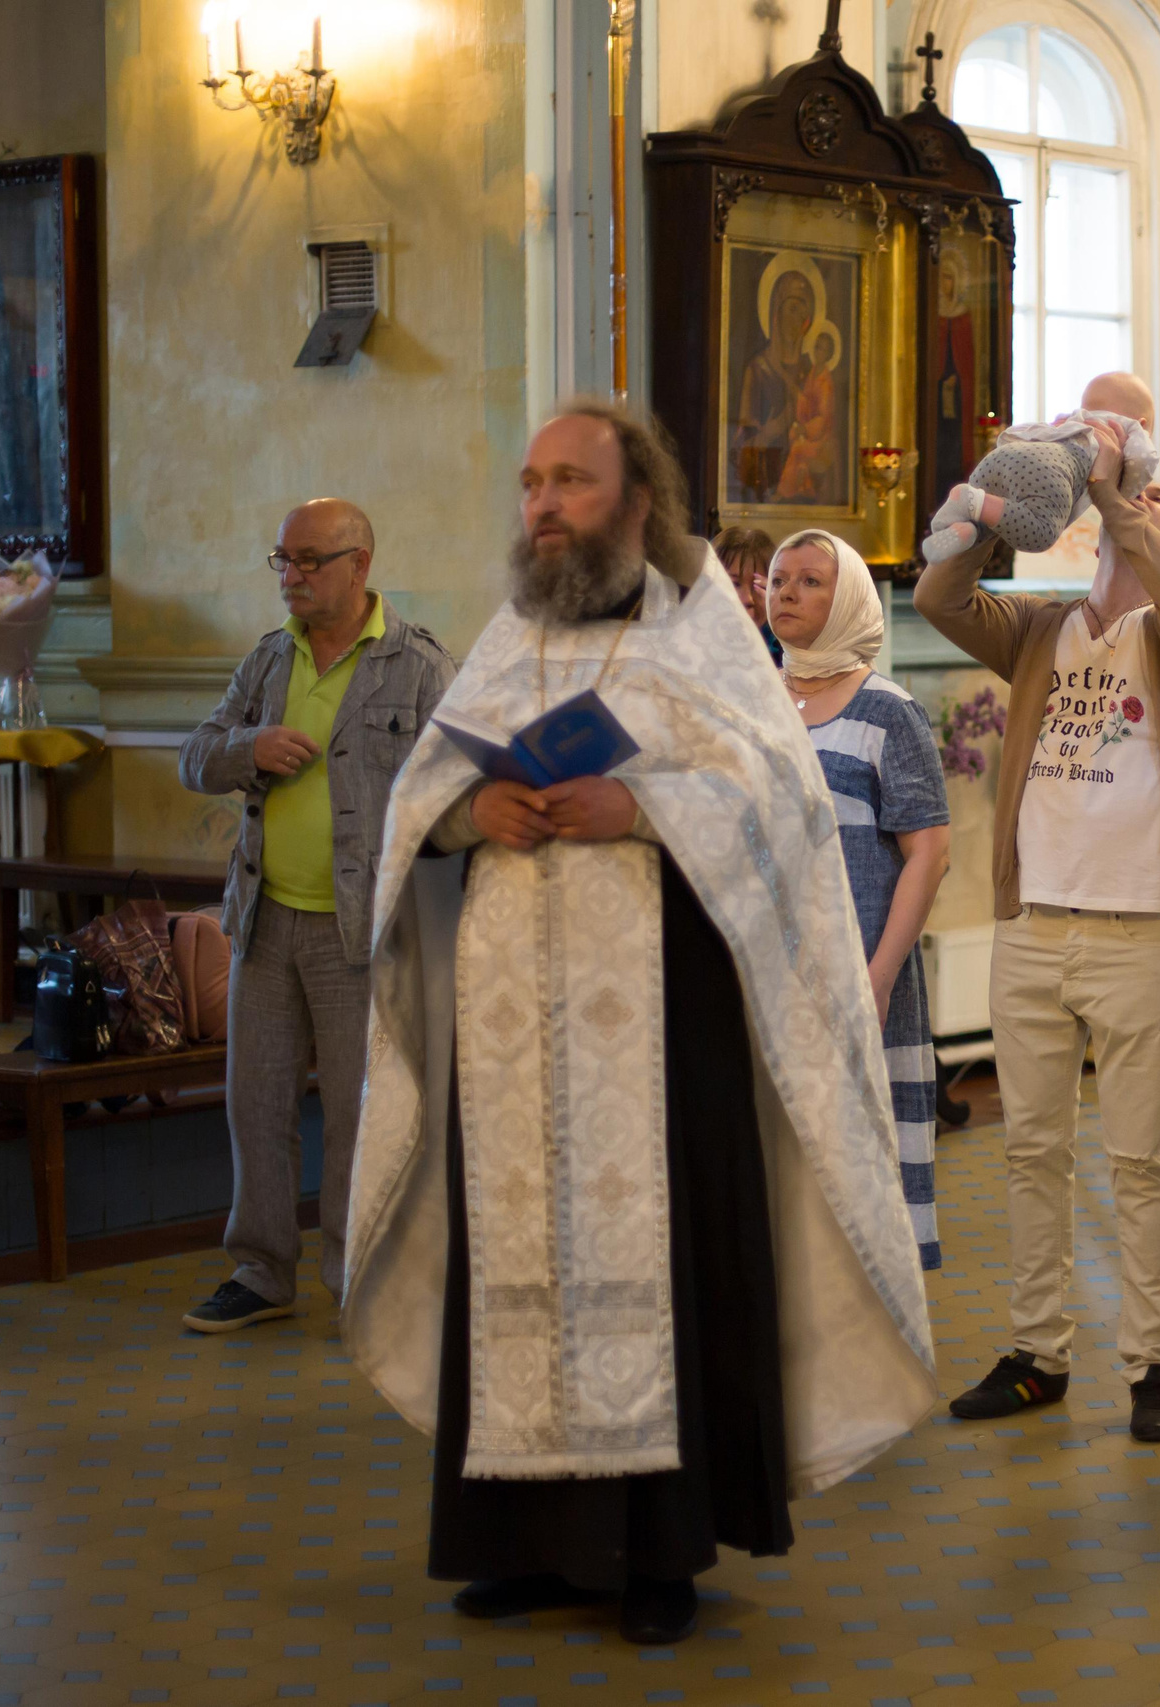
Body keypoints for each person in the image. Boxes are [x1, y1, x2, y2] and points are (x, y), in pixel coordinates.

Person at [342, 402, 935, 1646]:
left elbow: (777, 804)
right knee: (514, 1270)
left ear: (637, 502)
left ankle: (659, 1553)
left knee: (669, 1267)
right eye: (530, 483)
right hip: (513, 1027)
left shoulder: (702, 635)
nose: (544, 504)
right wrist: (470, 812)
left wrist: (644, 802)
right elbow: (423, 795)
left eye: (571, 481)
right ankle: (523, 1540)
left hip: (669, 1023)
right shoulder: (513, 633)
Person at [915, 419, 1160, 1443]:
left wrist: (1115, 494)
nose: (1142, 521)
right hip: (1036, 926)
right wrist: (986, 508)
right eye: (1140, 510)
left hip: (1138, 930)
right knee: (1032, 1153)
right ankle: (1037, 1354)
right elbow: (937, 600)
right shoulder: (1044, 632)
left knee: (1140, 1161)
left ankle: (1154, 1363)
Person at [176, 499, 455, 1334]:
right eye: (282, 561)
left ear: (359, 563)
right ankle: (261, 1271)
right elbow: (195, 756)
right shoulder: (269, 662)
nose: (291, 577)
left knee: (356, 1116)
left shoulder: (418, 666)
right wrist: (247, 750)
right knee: (255, 1106)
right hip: (263, 923)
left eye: (308, 561)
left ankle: (357, 1277)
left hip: (361, 932)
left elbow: (453, 791)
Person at [767, 527, 953, 1268]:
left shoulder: (887, 712)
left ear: (846, 599)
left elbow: (929, 852)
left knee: (859, 1188)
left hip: (855, 975)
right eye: (779, 579)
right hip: (768, 974)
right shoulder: (753, 699)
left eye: (810, 581)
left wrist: (877, 977)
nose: (786, 591)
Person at [922, 371, 1160, 563]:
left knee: (993, 521)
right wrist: (1128, 495)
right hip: (1045, 469)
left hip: (1003, 455)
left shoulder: (1071, 420)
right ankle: (970, 501)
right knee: (1041, 533)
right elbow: (1143, 462)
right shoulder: (1130, 430)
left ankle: (959, 528)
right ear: (1142, 423)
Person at [711, 523, 782, 666]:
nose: (748, 599)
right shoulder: (689, 650)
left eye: (758, 585)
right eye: (735, 584)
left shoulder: (787, 655)